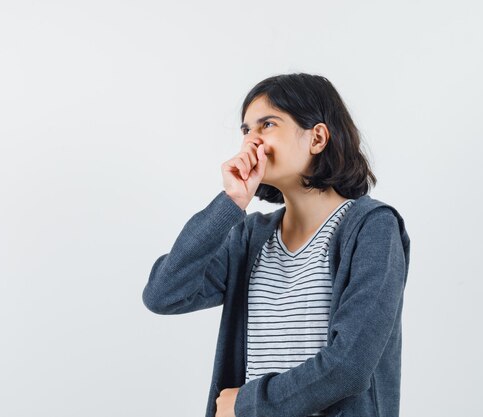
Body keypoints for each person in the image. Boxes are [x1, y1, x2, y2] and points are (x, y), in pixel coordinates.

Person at [142, 73, 411, 417]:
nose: (251, 142)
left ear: (317, 137)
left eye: (267, 124)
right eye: (245, 130)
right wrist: (231, 203)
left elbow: (349, 366)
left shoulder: (371, 227)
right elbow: (163, 294)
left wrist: (247, 403)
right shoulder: (249, 237)